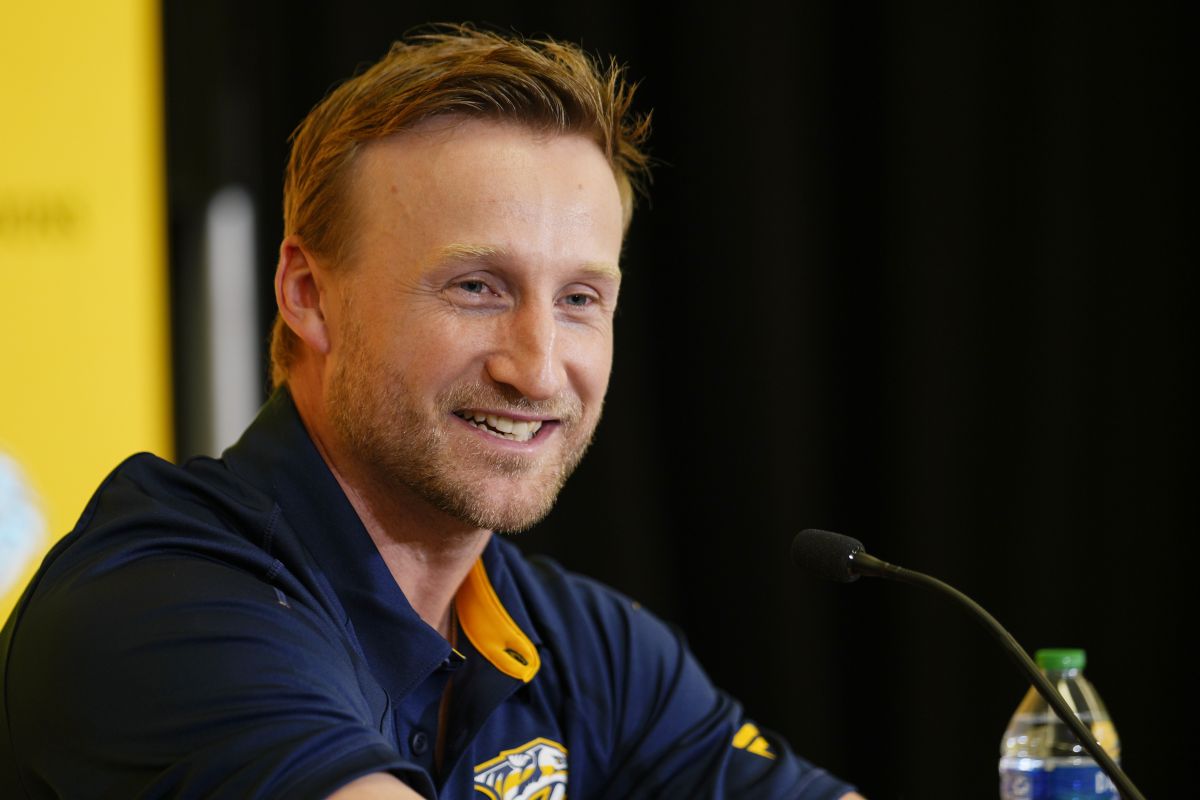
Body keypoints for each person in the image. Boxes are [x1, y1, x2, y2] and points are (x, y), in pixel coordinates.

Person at [0, 25, 865, 800]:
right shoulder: (158, 605)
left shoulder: (584, 641)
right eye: (476, 288)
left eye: (578, 299)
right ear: (309, 295)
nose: (536, 368)